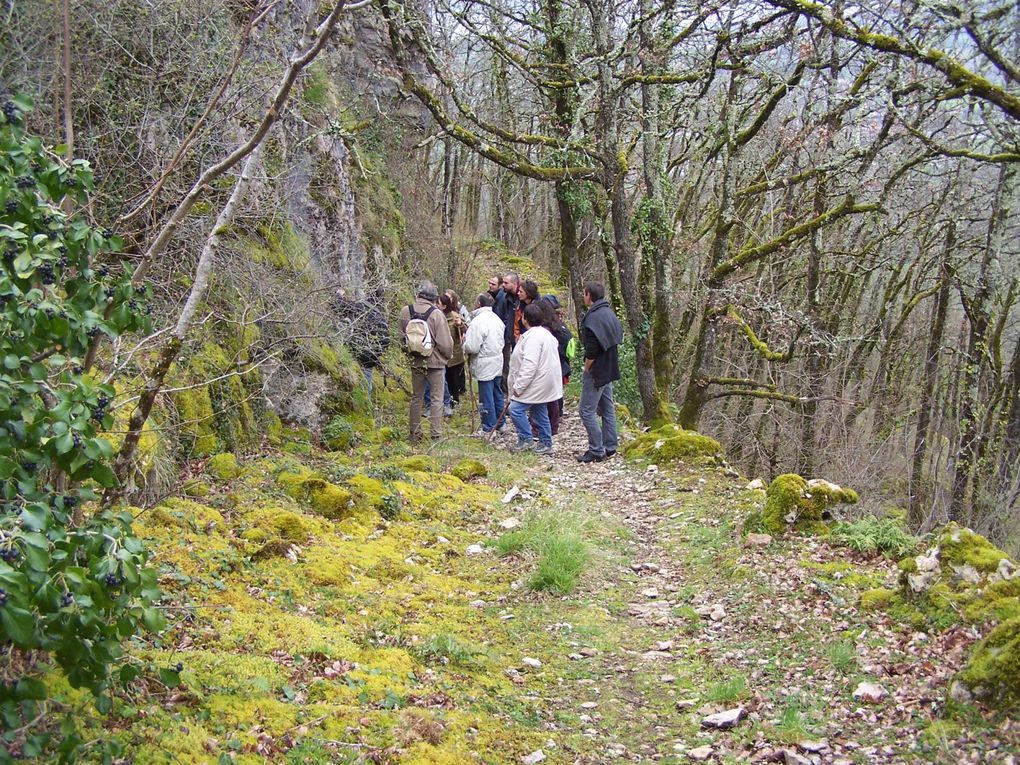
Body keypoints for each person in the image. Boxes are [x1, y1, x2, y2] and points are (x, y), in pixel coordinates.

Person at [397, 281, 453, 443]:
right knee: (436, 399)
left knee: (416, 397)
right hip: (435, 364)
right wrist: (446, 357)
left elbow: (401, 338)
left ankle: (414, 433)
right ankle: (435, 434)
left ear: (419, 294)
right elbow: (445, 344)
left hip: (416, 362)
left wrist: (410, 354)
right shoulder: (437, 314)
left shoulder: (405, 311)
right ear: (434, 298)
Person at [576, 281, 623, 463]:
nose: (583, 296)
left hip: (597, 371)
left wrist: (587, 368)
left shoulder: (593, 318)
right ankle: (610, 446)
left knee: (586, 411)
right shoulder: (609, 313)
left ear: (589, 295)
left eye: (584, 293)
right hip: (610, 367)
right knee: (608, 407)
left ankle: (596, 449)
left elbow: (592, 349)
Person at [507, 303, 563, 455]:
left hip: (537, 382)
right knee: (539, 410)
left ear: (525, 319)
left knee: (515, 410)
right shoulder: (545, 334)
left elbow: (529, 366)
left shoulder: (533, 338)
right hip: (546, 382)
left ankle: (526, 439)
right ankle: (546, 442)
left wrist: (518, 387)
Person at [332, 288, 390, 407]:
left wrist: (339, 295)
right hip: (373, 353)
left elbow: (338, 306)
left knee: (361, 376)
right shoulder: (379, 314)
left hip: (361, 350)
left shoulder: (361, 307)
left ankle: (360, 406)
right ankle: (366, 407)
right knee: (366, 374)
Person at [463, 292, 506, 434]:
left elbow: (472, 347)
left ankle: (488, 427)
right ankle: (501, 423)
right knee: (497, 393)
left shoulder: (478, 322)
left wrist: (464, 344)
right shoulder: (497, 319)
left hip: (484, 362)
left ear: (479, 304)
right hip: (497, 360)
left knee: (486, 396)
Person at [540, 295, 572, 435]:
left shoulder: (554, 327)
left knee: (554, 393)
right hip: (561, 363)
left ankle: (553, 420)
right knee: (556, 392)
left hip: (558, 363)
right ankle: (556, 417)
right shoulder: (559, 324)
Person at [439, 292, 467, 408]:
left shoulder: (455, 316)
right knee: (443, 379)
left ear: (444, 306)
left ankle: (454, 401)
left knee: (453, 379)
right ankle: (443, 400)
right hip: (441, 354)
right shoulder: (437, 316)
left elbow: (465, 330)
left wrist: (459, 325)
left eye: (439, 304)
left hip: (455, 355)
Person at [495, 272, 520, 395]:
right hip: (505, 333)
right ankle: (505, 388)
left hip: (519, 335)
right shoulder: (502, 295)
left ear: (514, 284)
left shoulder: (523, 296)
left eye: (506, 283)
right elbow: (498, 314)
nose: (503, 285)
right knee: (504, 361)